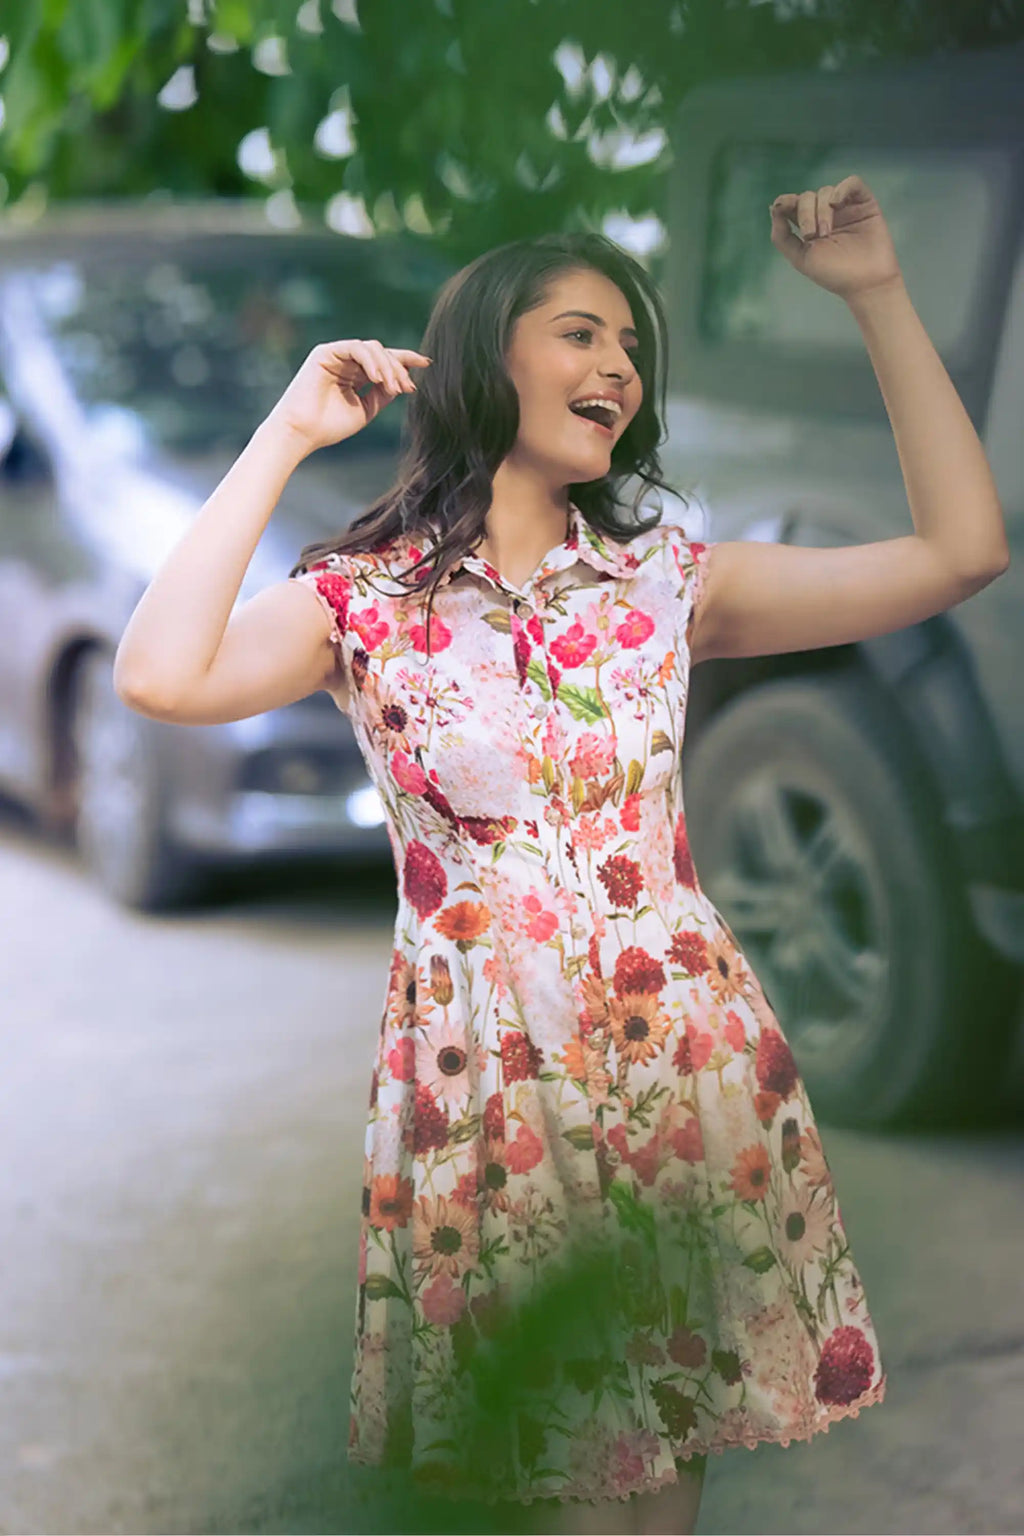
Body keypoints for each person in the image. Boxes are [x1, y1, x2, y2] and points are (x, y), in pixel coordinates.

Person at [114, 176, 1009, 1536]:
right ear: (490, 359)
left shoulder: (672, 585)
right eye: (582, 333)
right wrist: (286, 435)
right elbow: (160, 675)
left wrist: (878, 293)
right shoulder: (364, 605)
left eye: (630, 347)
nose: (619, 368)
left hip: (682, 1057)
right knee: (566, 1486)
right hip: (488, 1084)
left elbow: (961, 552)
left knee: (669, 1478)